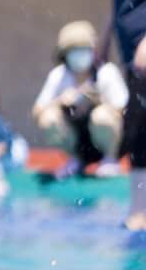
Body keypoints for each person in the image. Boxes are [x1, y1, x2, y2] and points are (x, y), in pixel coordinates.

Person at [94, 0, 146, 230]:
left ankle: (139, 211)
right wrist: (105, 34)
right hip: (132, 49)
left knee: (141, 125)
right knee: (138, 124)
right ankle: (139, 207)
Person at [30, 20, 126, 176]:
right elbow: (37, 111)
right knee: (49, 117)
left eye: (83, 48)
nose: (79, 54)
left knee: (101, 116)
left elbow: (125, 110)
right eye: (73, 49)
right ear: (64, 53)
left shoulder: (106, 72)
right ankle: (74, 160)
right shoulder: (59, 75)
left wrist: (99, 102)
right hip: (77, 141)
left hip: (107, 141)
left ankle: (110, 160)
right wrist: (60, 101)